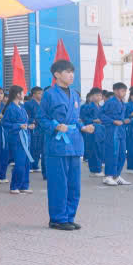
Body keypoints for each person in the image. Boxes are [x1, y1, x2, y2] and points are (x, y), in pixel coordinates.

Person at [41, 60, 90, 230]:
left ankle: (69, 216)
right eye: (67, 72)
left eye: (72, 72)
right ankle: (57, 218)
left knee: (74, 184)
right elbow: (41, 118)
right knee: (58, 183)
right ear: (57, 74)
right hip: (57, 144)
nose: (71, 75)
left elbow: (75, 119)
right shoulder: (49, 94)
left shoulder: (75, 94)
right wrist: (54, 126)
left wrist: (83, 127)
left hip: (74, 143)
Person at [2, 87, 33, 194]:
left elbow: (24, 122)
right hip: (16, 139)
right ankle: (14, 185)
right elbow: (5, 123)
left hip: (25, 137)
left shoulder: (21, 107)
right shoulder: (10, 108)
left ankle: (24, 185)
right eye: (22, 93)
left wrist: (29, 126)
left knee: (26, 163)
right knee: (19, 163)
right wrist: (19, 126)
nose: (24, 94)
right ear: (17, 94)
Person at [100, 83, 132, 186]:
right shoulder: (110, 102)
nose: (124, 93)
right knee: (112, 153)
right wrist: (113, 121)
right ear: (115, 91)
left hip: (121, 131)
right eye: (122, 90)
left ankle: (116, 176)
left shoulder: (122, 103)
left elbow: (120, 118)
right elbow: (101, 114)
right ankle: (108, 176)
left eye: (125, 91)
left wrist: (124, 120)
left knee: (122, 154)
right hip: (112, 131)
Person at [79, 89, 104, 176]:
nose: (99, 97)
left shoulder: (101, 107)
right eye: (96, 95)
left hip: (101, 130)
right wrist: (93, 120)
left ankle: (98, 168)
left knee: (100, 149)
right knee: (94, 149)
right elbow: (83, 118)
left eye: (100, 95)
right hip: (92, 129)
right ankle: (94, 170)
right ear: (91, 96)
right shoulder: (88, 107)